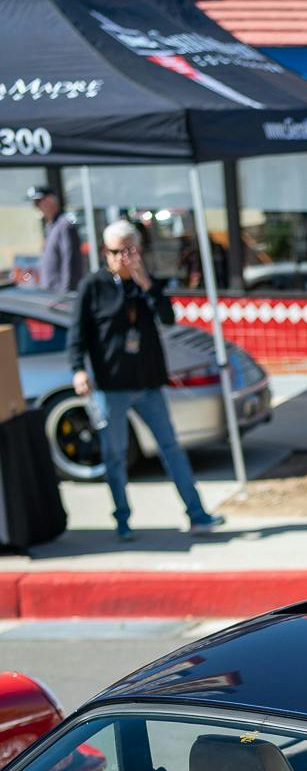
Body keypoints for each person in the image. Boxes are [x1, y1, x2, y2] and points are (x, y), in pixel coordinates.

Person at [67, 219, 224, 545]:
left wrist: (144, 281)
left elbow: (168, 318)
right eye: (116, 252)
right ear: (104, 253)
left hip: (149, 384)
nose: (123, 257)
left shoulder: (145, 283)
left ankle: (197, 515)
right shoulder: (93, 286)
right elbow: (77, 334)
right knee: (115, 454)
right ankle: (123, 519)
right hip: (112, 386)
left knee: (171, 449)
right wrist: (78, 369)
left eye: (129, 250)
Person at [26, 185, 85, 295]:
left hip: (60, 296)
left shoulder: (65, 225)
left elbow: (71, 263)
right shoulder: (51, 225)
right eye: (34, 203)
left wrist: (66, 294)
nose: (36, 206)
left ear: (51, 199)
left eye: (38, 201)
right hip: (50, 293)